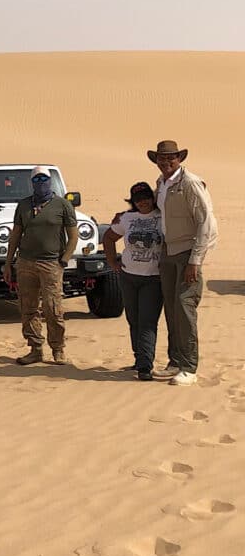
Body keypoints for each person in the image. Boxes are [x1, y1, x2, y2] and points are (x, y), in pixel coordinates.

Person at [148, 140, 218, 386]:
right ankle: (175, 361)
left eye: (171, 158)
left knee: (184, 307)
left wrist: (195, 261)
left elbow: (205, 222)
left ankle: (189, 367)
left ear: (179, 159)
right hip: (168, 251)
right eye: (161, 158)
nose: (166, 162)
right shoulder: (161, 183)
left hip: (188, 252)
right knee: (171, 308)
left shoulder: (190, 183)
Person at [3, 165, 78, 365]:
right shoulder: (24, 205)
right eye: (36, 180)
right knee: (28, 307)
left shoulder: (62, 205)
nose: (40, 183)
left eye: (44, 179)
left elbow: (73, 235)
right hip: (26, 262)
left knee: (53, 308)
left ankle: (58, 349)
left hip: (51, 263)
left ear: (50, 181)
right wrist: (8, 263)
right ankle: (35, 348)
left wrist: (64, 259)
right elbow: (15, 235)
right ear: (31, 182)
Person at [103, 182, 164, 381]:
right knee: (133, 320)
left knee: (147, 321)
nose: (142, 202)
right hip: (128, 277)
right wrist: (112, 262)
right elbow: (109, 238)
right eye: (137, 200)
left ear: (152, 198)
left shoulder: (163, 217)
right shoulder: (126, 218)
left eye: (145, 198)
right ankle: (139, 359)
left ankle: (145, 366)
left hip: (153, 279)